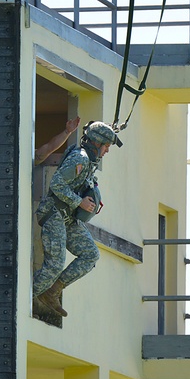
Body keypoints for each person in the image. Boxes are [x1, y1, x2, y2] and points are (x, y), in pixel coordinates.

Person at [32, 120, 120, 317]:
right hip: (54, 214)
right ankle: (25, 298)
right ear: (97, 143)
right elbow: (57, 185)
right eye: (106, 146)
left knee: (90, 254)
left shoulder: (89, 161)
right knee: (55, 264)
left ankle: (52, 291)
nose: (107, 151)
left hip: (68, 218)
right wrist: (80, 202)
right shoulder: (79, 159)